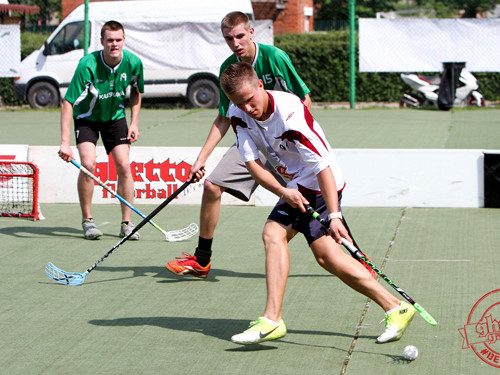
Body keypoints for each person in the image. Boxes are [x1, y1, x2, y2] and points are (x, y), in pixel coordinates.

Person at [220, 62, 415, 345]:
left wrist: (334, 215)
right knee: (327, 257)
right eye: (239, 102)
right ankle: (395, 307)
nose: (247, 108)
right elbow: (252, 163)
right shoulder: (238, 114)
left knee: (278, 236)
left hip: (320, 183)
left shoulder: (289, 114)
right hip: (295, 185)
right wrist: (283, 191)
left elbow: (322, 166)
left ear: (260, 85)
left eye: (250, 99)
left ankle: (273, 319)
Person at [165, 11, 312, 277]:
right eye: (229, 38)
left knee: (314, 203)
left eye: (240, 36)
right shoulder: (228, 70)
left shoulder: (275, 58)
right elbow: (223, 117)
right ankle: (202, 260)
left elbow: (304, 100)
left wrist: (295, 140)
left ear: (251, 32)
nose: (235, 43)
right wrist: (201, 159)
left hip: (286, 143)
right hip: (252, 141)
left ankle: (355, 255)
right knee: (211, 186)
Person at [58, 20, 144, 240]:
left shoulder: (134, 63)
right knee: (88, 165)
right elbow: (67, 102)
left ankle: (127, 223)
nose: (113, 45)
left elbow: (136, 91)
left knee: (124, 165)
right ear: (102, 42)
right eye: (109, 40)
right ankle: (88, 221)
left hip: (115, 118)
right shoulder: (87, 65)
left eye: (118, 40)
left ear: (124, 40)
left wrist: (134, 122)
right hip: (87, 118)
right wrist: (65, 142)